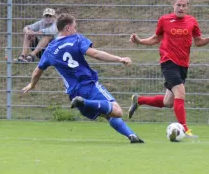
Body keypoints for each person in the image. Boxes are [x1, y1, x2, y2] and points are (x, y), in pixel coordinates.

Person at [22, 13, 144, 144]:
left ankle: (131, 135)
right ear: (68, 28)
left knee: (108, 114)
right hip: (88, 84)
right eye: (75, 27)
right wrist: (119, 59)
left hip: (73, 92)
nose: (76, 29)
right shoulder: (76, 39)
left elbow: (37, 72)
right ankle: (83, 102)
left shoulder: (50, 50)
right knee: (117, 111)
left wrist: (32, 85)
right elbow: (96, 54)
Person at [129, 0, 209, 138]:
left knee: (168, 102)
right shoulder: (164, 20)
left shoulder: (192, 21)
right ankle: (185, 130)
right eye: (178, 5)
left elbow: (198, 42)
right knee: (180, 92)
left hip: (183, 65)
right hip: (168, 62)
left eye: (184, 5)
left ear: (188, 7)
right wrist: (139, 41)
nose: (181, 8)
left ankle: (139, 100)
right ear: (173, 5)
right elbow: (155, 39)